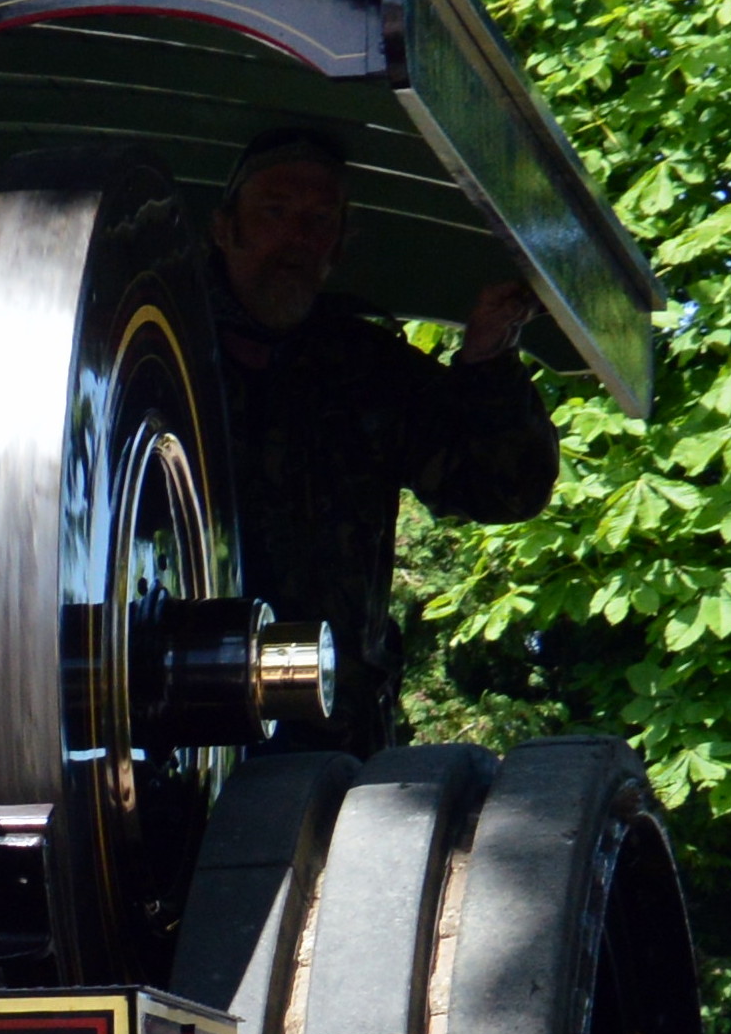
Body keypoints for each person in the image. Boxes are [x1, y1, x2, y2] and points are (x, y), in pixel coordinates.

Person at [207, 125, 563, 754]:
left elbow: (506, 490)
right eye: (275, 212)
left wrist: (488, 361)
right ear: (224, 228)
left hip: (328, 741)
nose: (296, 237)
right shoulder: (154, 342)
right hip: (169, 722)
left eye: (319, 220)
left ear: (338, 246)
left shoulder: (366, 367)